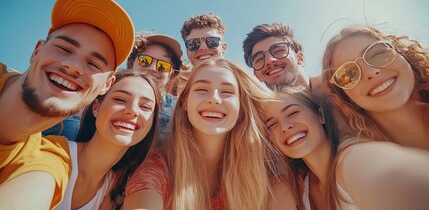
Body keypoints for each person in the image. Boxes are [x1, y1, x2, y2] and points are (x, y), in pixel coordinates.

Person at [0, 0, 135, 209]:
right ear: (37, 51)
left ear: (106, 85)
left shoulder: (48, 162)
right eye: (64, 48)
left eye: (93, 64)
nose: (73, 66)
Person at [123, 58, 296, 210]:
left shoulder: (269, 179)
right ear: (184, 102)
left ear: (242, 107)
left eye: (227, 92)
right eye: (201, 89)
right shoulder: (157, 171)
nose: (214, 98)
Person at [264, 88, 429, 209]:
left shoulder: (352, 158)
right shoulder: (301, 189)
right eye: (272, 124)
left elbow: (389, 175)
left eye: (293, 113)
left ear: (320, 115)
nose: (285, 127)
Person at [55, 70, 160, 210]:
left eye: (145, 107)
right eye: (120, 99)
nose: (133, 110)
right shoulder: (55, 154)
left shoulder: (114, 190)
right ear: (96, 107)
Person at [322, 25, 429, 150]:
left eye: (377, 53)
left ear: (402, 52)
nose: (371, 72)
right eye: (348, 74)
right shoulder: (361, 156)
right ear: (344, 97)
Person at [126, 32, 184, 147]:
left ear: (171, 74)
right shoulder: (105, 96)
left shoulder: (180, 110)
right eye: (144, 60)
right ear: (131, 63)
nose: (152, 68)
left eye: (163, 65)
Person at [243, 23, 321, 92]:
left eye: (278, 51)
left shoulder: (331, 85)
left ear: (299, 57)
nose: (269, 60)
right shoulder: (265, 108)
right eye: (259, 59)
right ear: (256, 75)